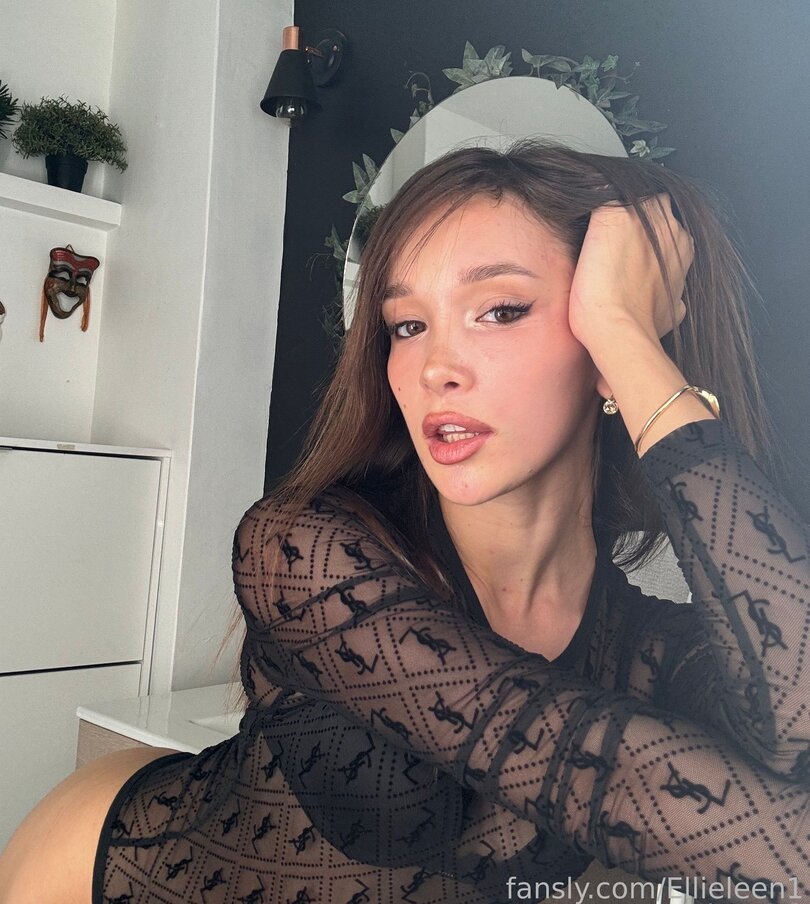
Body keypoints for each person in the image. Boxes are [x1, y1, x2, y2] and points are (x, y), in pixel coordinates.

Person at [1, 141, 808, 904]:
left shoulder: (643, 648)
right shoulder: (310, 553)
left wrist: (628, 343)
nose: (435, 369)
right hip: (94, 875)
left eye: (499, 310)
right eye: (407, 326)